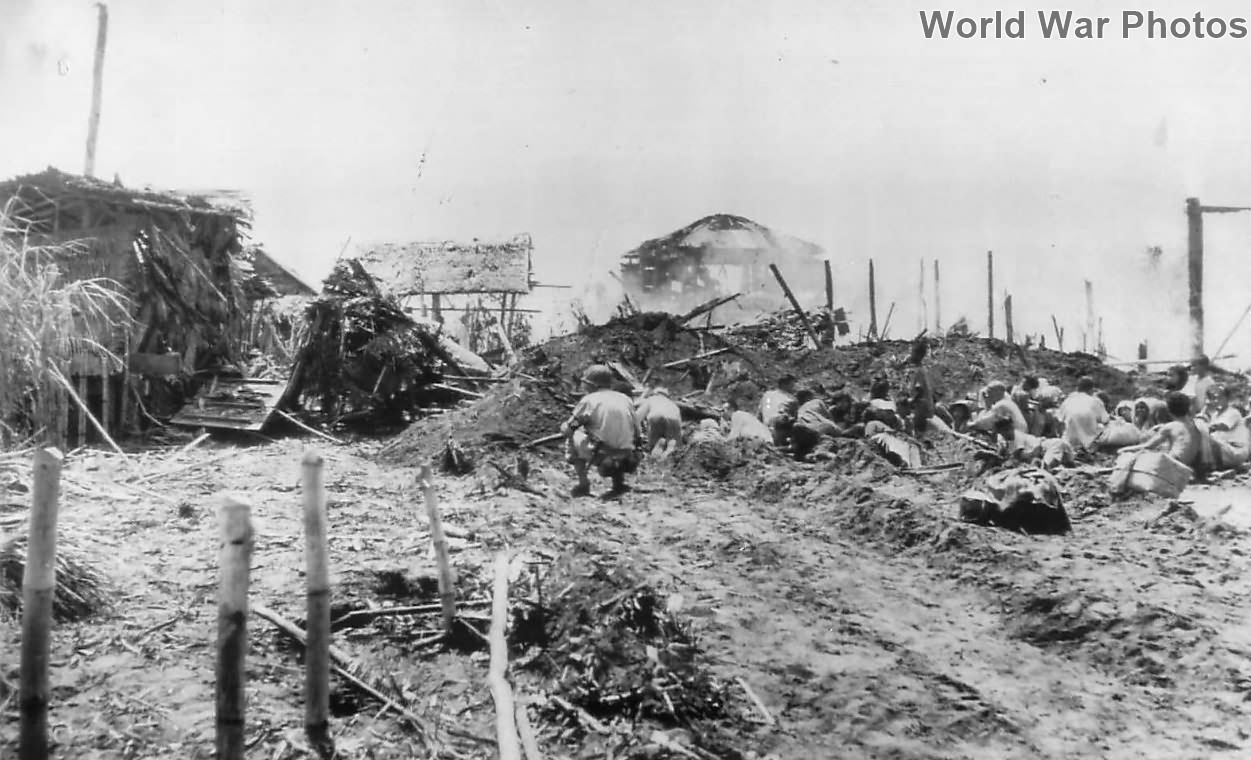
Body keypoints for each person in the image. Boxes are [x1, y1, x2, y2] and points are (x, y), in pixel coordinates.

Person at [561, 364, 641, 497]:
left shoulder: (589, 401)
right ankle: (618, 482)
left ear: (592, 384)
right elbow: (637, 429)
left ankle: (583, 484)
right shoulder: (625, 399)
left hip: (603, 456)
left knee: (573, 436)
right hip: (629, 457)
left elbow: (571, 427)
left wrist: (566, 427)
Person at [1120, 391, 1206, 472]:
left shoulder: (1170, 427)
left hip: (1173, 464)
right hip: (1188, 464)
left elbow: (1148, 446)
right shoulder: (1194, 425)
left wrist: (1124, 450)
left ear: (1169, 410)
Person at [994, 416, 1074, 471]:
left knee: (1043, 470)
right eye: (1002, 431)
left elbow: (1026, 454)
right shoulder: (1007, 442)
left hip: (1051, 446)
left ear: (1012, 427)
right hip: (1053, 450)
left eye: (1007, 429)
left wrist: (1013, 456)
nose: (1005, 433)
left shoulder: (1017, 436)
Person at [1057, 376, 1109, 452]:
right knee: (1104, 427)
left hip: (1068, 441)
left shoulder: (1067, 400)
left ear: (1077, 388)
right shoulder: (1095, 401)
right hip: (1089, 443)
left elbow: (1059, 420)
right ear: (1091, 389)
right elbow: (1105, 420)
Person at [1205, 385, 1249, 470]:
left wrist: (1203, 427)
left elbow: (1222, 426)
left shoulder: (1232, 412)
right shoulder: (1215, 415)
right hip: (1224, 450)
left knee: (1206, 440)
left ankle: (1215, 469)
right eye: (1212, 398)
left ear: (1227, 398)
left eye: (1218, 398)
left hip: (1236, 450)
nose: (1215, 401)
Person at [634, 386, 683, 460]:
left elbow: (637, 417)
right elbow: (679, 427)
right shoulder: (673, 405)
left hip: (656, 416)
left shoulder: (651, 399)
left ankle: (654, 458)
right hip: (674, 419)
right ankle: (668, 457)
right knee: (672, 444)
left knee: (655, 445)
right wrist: (679, 442)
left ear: (655, 394)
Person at [759, 374, 799, 446]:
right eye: (792, 385)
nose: (793, 387)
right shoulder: (791, 399)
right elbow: (795, 417)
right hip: (779, 429)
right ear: (784, 384)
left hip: (765, 428)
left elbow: (759, 415)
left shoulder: (767, 395)